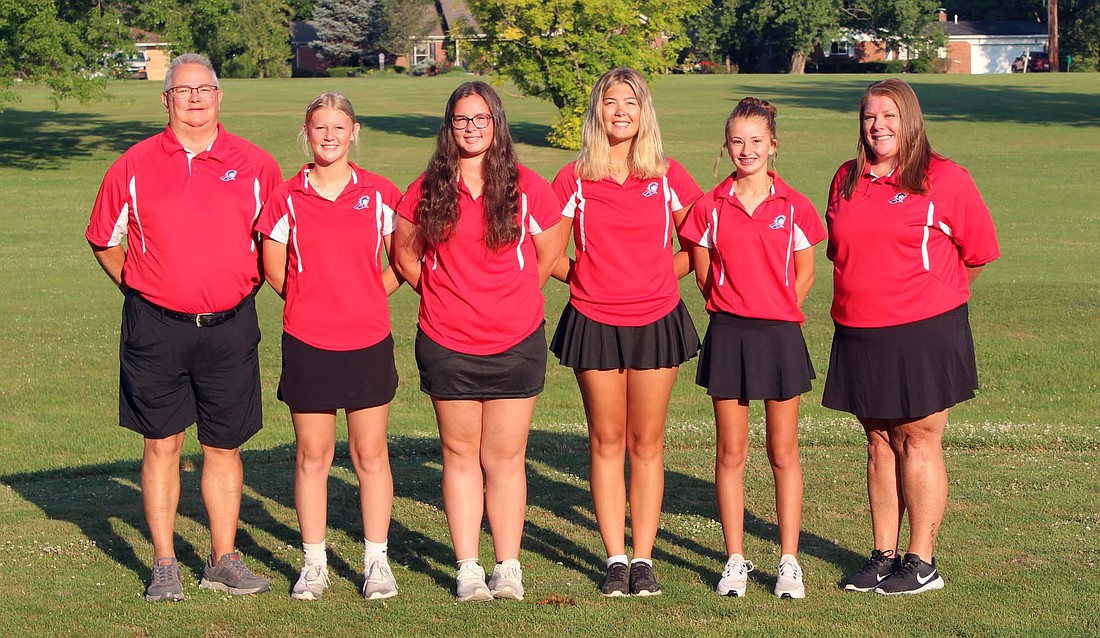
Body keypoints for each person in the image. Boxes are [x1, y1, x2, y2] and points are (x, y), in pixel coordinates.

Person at [85, 53, 281, 601]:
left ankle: (223, 558)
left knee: (224, 446)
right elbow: (104, 238)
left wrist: (236, 289)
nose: (195, 99)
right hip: (156, 328)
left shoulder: (256, 164)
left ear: (220, 97)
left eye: (205, 89)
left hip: (230, 326)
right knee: (161, 444)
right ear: (166, 100)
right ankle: (166, 562)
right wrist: (142, 287)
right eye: (183, 90)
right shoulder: (134, 164)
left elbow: (272, 246)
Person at [824, 79, 1000, 596]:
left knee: (917, 439)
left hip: (925, 331)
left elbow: (979, 252)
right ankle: (883, 555)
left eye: (889, 116)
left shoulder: (944, 178)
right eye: (869, 117)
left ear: (910, 120)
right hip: (858, 328)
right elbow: (841, 251)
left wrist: (933, 300)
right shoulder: (845, 178)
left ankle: (922, 561)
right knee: (878, 442)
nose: (878, 126)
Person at [392, 81, 561, 603]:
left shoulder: (528, 185)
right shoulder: (426, 188)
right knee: (460, 454)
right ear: (450, 127)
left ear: (496, 125)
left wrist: (505, 302)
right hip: (448, 342)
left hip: (516, 342)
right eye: (462, 119)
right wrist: (447, 296)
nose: (471, 127)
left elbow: (548, 256)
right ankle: (468, 568)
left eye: (481, 119)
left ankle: (507, 567)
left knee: (506, 458)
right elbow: (405, 256)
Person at [550, 67, 703, 597]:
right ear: (598, 111)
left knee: (647, 442)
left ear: (644, 113)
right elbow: (548, 255)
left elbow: (702, 240)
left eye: (630, 103)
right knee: (606, 440)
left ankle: (644, 560)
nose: (620, 111)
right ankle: (615, 559)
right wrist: (589, 279)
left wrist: (664, 275)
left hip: (656, 320)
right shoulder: (574, 178)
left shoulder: (667, 174)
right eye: (611, 102)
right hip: (593, 322)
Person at [254, 93, 402, 601]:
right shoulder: (286, 196)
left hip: (367, 341)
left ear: (354, 131)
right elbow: (273, 266)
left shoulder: (381, 193)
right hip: (307, 341)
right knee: (313, 456)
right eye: (320, 127)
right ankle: (313, 564)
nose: (329, 135)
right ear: (307, 131)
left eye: (339, 127)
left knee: (370, 455)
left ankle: (376, 562)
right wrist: (311, 302)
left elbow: (401, 262)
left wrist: (362, 296)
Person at [680, 97, 825, 599]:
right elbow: (702, 273)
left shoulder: (796, 205)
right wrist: (735, 306)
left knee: (783, 452)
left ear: (773, 146)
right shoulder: (708, 206)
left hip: (780, 336)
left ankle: (789, 562)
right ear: (727, 145)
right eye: (738, 141)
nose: (747, 150)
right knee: (731, 452)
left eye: (756, 141)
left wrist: (775, 308)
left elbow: (805, 273)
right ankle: (735, 560)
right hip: (729, 334)